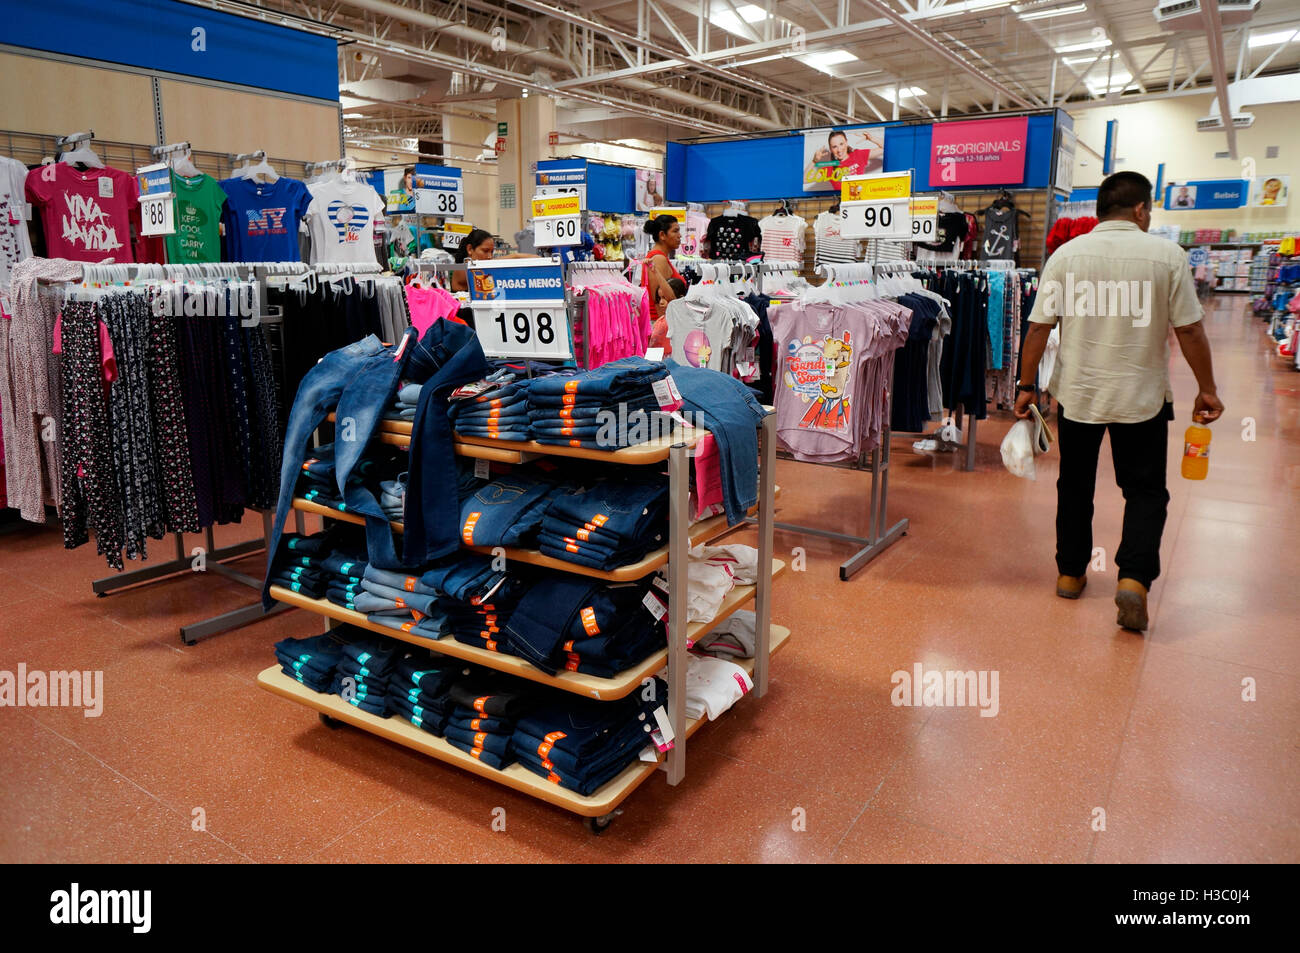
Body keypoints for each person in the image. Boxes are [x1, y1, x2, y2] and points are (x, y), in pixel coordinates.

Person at [1015, 171, 1223, 632]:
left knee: (1074, 485)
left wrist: (1025, 385)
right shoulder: (1168, 256)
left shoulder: (1066, 256)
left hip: (1079, 395)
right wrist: (1207, 388)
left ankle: (1070, 574)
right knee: (1145, 491)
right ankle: (1132, 579)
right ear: (1141, 210)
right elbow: (1189, 329)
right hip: (1142, 397)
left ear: (1099, 211)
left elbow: (1038, 328)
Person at [449, 228, 533, 292]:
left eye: (492, 252)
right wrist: (516, 256)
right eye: (485, 251)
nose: (489, 256)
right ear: (470, 249)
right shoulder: (461, 269)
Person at [643, 215, 685, 317]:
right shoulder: (658, 259)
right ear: (662, 235)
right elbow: (659, 301)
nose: (680, 236)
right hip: (660, 322)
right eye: (675, 231)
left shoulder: (660, 257)